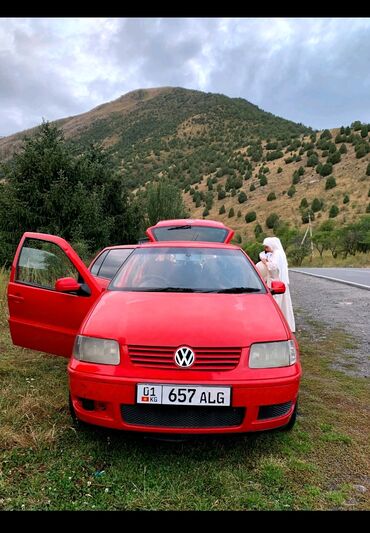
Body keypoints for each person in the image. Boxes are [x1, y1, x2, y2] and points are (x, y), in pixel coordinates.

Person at [260, 237, 296, 333]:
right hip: (273, 281)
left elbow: (273, 267)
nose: (266, 249)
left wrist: (264, 261)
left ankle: (277, 326)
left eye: (267, 247)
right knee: (278, 304)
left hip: (276, 282)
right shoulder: (275, 253)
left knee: (277, 303)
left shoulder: (277, 253)